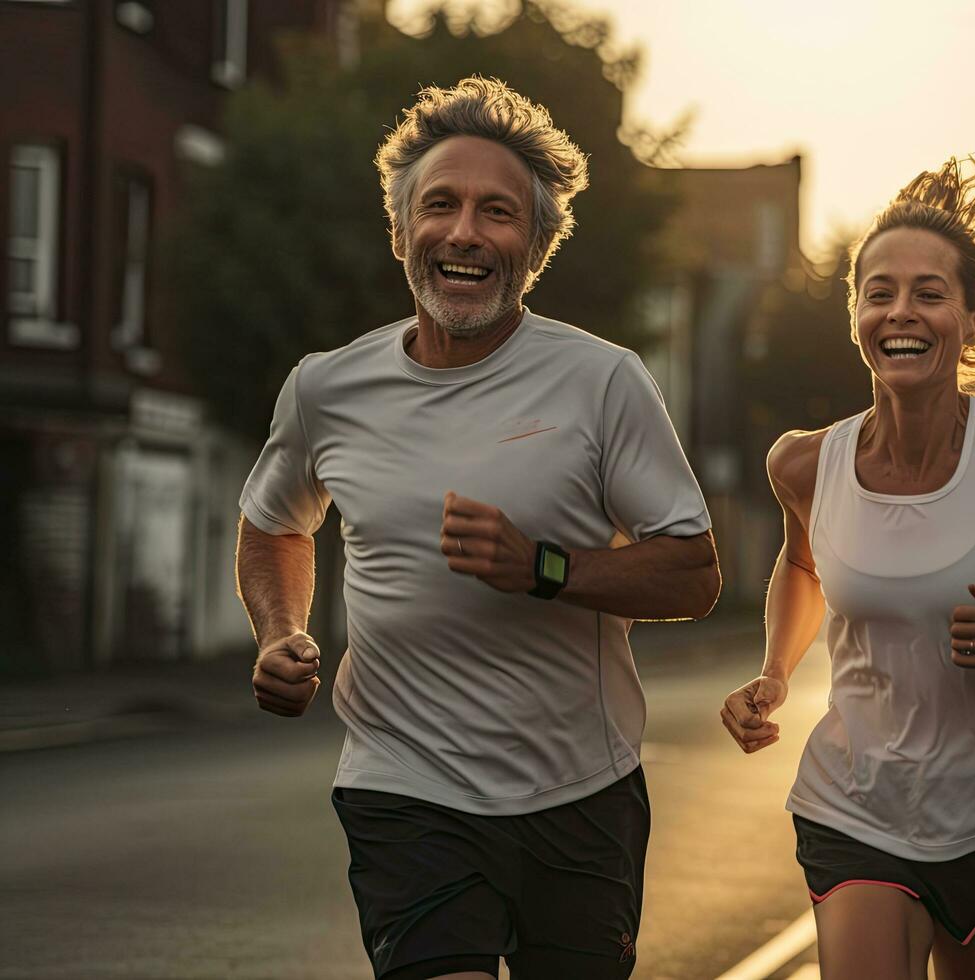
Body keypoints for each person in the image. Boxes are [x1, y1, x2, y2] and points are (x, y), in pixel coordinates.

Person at [236, 76, 719, 980]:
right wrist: (281, 632)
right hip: (403, 787)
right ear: (401, 231)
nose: (464, 232)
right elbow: (275, 525)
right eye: (440, 206)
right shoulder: (325, 389)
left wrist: (543, 567)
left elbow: (694, 573)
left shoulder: (603, 382)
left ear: (536, 244)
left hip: (579, 793)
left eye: (497, 212)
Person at [721, 157, 975, 979]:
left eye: (928, 293)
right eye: (879, 292)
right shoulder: (804, 464)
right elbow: (801, 568)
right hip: (855, 811)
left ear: (971, 320)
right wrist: (773, 671)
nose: (900, 312)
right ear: (856, 317)